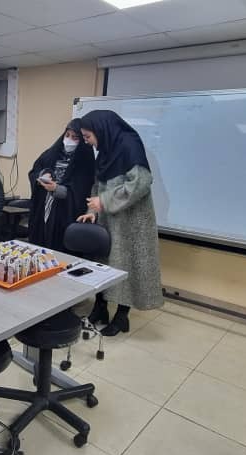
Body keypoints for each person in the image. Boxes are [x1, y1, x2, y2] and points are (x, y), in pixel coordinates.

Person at [77, 110, 163, 336]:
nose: (86, 142)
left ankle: (122, 316)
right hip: (108, 220)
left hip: (131, 223)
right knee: (102, 264)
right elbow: (97, 185)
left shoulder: (129, 145)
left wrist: (104, 201)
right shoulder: (105, 149)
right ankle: (100, 308)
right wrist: (92, 211)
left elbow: (142, 182)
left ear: (101, 130)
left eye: (87, 136)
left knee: (126, 265)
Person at [27, 119, 95, 252]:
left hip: (65, 213)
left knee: (58, 249)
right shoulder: (52, 153)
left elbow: (81, 191)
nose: (69, 140)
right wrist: (42, 175)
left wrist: (57, 189)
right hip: (43, 207)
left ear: (82, 140)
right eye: (67, 135)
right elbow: (35, 171)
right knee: (40, 244)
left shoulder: (85, 161)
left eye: (75, 138)